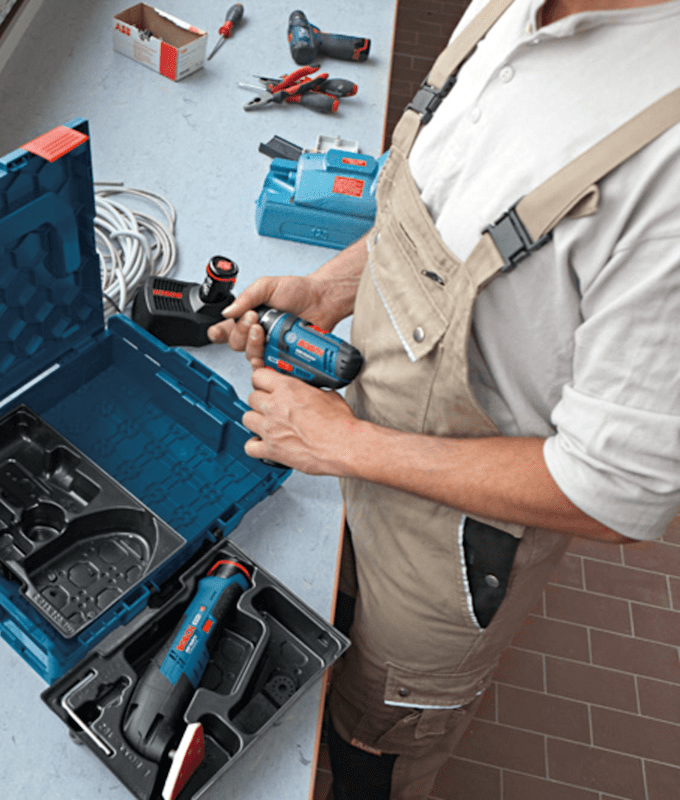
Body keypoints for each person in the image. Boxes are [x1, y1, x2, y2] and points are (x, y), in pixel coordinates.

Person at [208, 0, 680, 797]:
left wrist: (345, 445)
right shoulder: (509, 10)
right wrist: (329, 289)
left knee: (371, 739)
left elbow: (615, 491)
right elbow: (438, 212)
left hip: (448, 554)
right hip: (360, 447)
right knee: (334, 622)